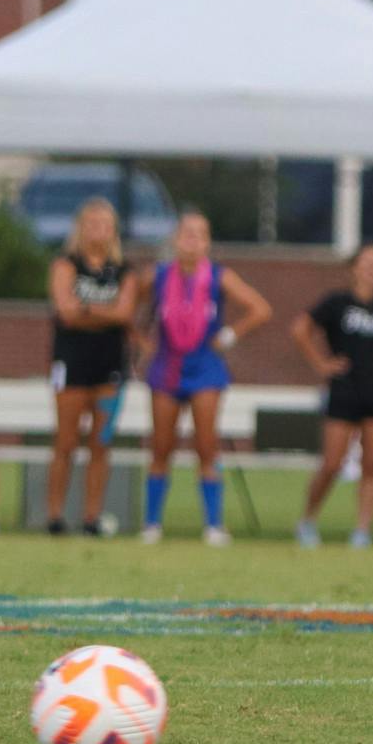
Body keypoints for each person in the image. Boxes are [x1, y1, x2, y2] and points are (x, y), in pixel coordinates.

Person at [139, 210, 271, 545]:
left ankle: (213, 523)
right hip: (167, 366)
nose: (192, 240)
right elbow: (127, 307)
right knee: (161, 445)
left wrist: (228, 336)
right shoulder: (157, 275)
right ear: (175, 238)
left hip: (205, 367)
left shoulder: (218, 277)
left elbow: (260, 308)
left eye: (199, 234)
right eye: (186, 233)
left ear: (208, 242)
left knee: (206, 444)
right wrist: (143, 343)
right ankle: (152, 523)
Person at [291, 243, 373, 548]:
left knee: (372, 463)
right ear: (354, 268)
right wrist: (321, 363)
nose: (372, 269)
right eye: (366, 263)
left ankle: (362, 530)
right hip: (344, 389)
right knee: (332, 462)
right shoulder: (337, 303)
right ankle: (307, 519)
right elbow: (300, 329)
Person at [44, 198, 139, 536]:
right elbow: (65, 312)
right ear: (80, 228)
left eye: (105, 224)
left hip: (109, 366)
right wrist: (103, 313)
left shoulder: (124, 270)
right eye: (92, 223)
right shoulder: (66, 264)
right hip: (71, 365)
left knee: (101, 443)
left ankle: (91, 517)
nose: (98, 230)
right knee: (66, 441)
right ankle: (54, 516)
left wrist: (86, 310)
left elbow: (125, 313)